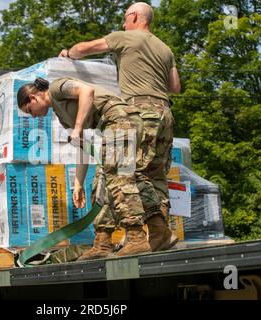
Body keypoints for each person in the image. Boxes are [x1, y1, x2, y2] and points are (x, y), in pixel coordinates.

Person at [58, 2, 180, 252]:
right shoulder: (165, 49)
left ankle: (133, 238)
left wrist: (68, 55)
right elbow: (175, 87)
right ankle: (159, 234)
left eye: (125, 19)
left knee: (125, 173)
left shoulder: (125, 38)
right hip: (165, 114)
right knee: (155, 175)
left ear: (135, 17)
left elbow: (84, 48)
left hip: (138, 112)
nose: (124, 24)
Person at [17, 77, 168, 260]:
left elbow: (86, 91)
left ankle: (137, 237)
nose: (33, 116)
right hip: (117, 125)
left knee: (118, 180)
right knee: (107, 179)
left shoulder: (57, 88)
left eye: (29, 111)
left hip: (119, 120)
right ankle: (119, 238)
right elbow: (83, 147)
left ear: (33, 97)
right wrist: (78, 183)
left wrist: (78, 127)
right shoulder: (61, 114)